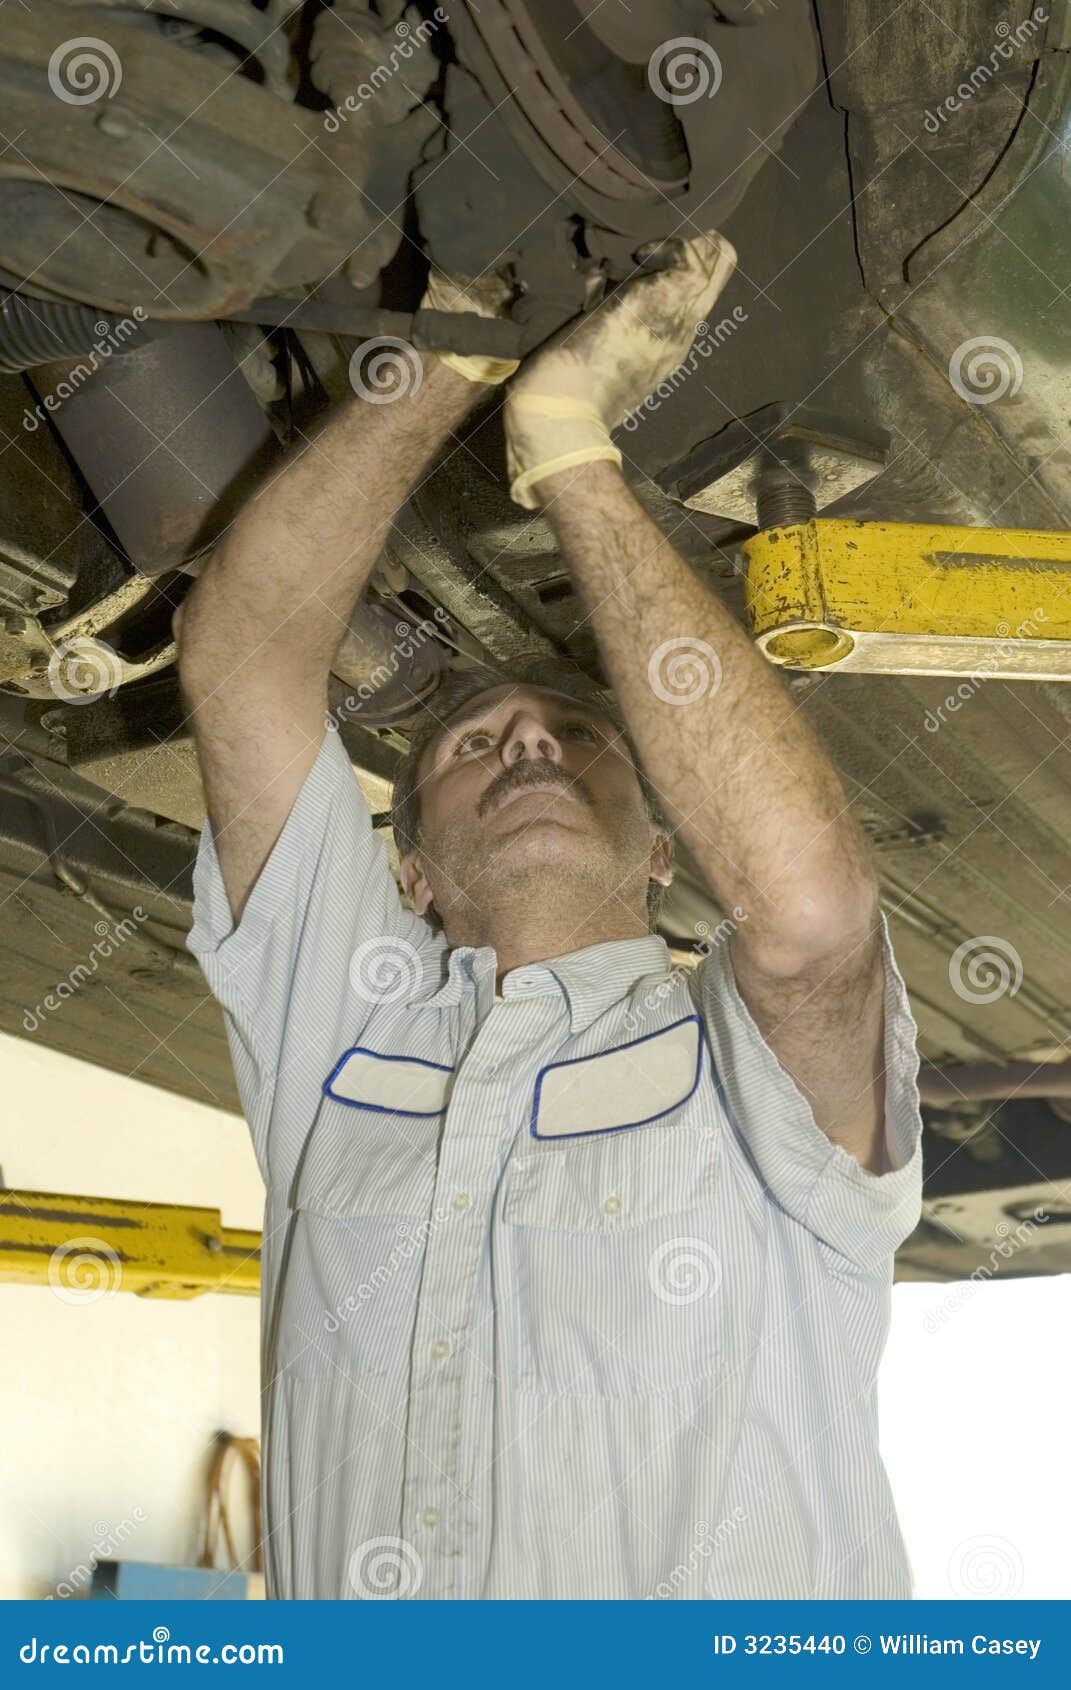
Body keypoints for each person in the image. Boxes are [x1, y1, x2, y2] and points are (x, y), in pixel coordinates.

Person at [179, 233, 923, 1600]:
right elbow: (241, 659)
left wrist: (569, 445)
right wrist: (452, 356)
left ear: (659, 850)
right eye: (471, 747)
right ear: (411, 879)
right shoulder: (340, 1023)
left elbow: (810, 915)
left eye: (573, 736)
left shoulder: (741, 1067)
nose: (524, 747)